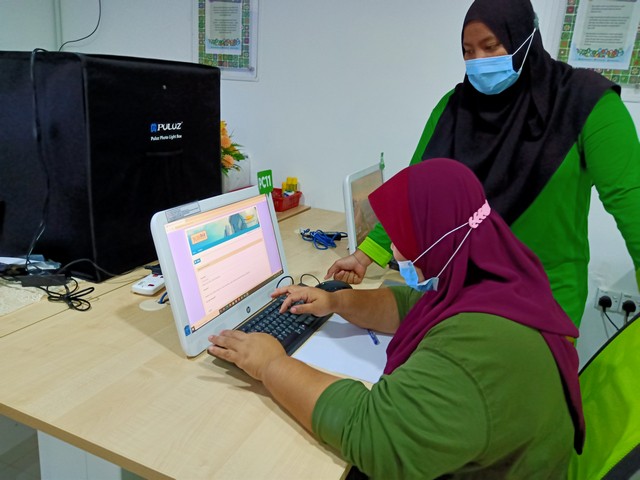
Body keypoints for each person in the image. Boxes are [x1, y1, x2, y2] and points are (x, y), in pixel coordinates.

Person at [208, 159, 584, 479]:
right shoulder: (498, 279)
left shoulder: (475, 350)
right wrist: (337, 301)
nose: (393, 250)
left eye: (400, 235)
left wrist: (271, 365)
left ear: (436, 236)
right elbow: (415, 306)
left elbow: (373, 433)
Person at [326, 0, 640, 327]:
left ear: (524, 38)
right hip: (462, 291)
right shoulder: (454, 109)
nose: (479, 61)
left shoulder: (587, 104)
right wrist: (364, 255)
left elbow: (631, 202)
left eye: (491, 47)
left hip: (543, 300)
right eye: (468, 51)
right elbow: (414, 191)